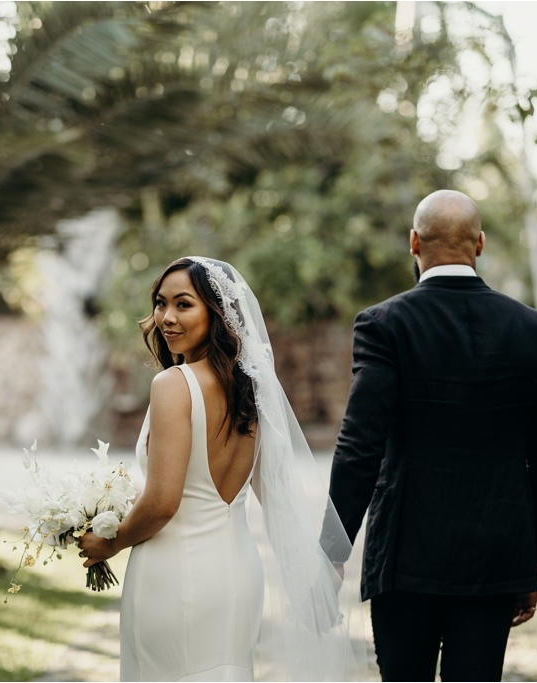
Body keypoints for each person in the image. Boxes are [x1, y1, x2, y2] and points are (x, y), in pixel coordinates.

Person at [78, 257, 364, 682]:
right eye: (160, 303)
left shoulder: (173, 385)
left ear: (217, 313)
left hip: (173, 576)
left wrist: (109, 543)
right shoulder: (251, 389)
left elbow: (162, 503)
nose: (166, 318)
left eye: (183, 304)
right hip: (236, 574)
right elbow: (275, 494)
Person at [327, 190, 537, 682]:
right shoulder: (534, 329)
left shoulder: (383, 325)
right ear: (479, 244)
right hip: (496, 560)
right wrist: (529, 563)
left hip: (404, 558)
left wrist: (331, 550)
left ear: (414, 242)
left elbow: (359, 447)